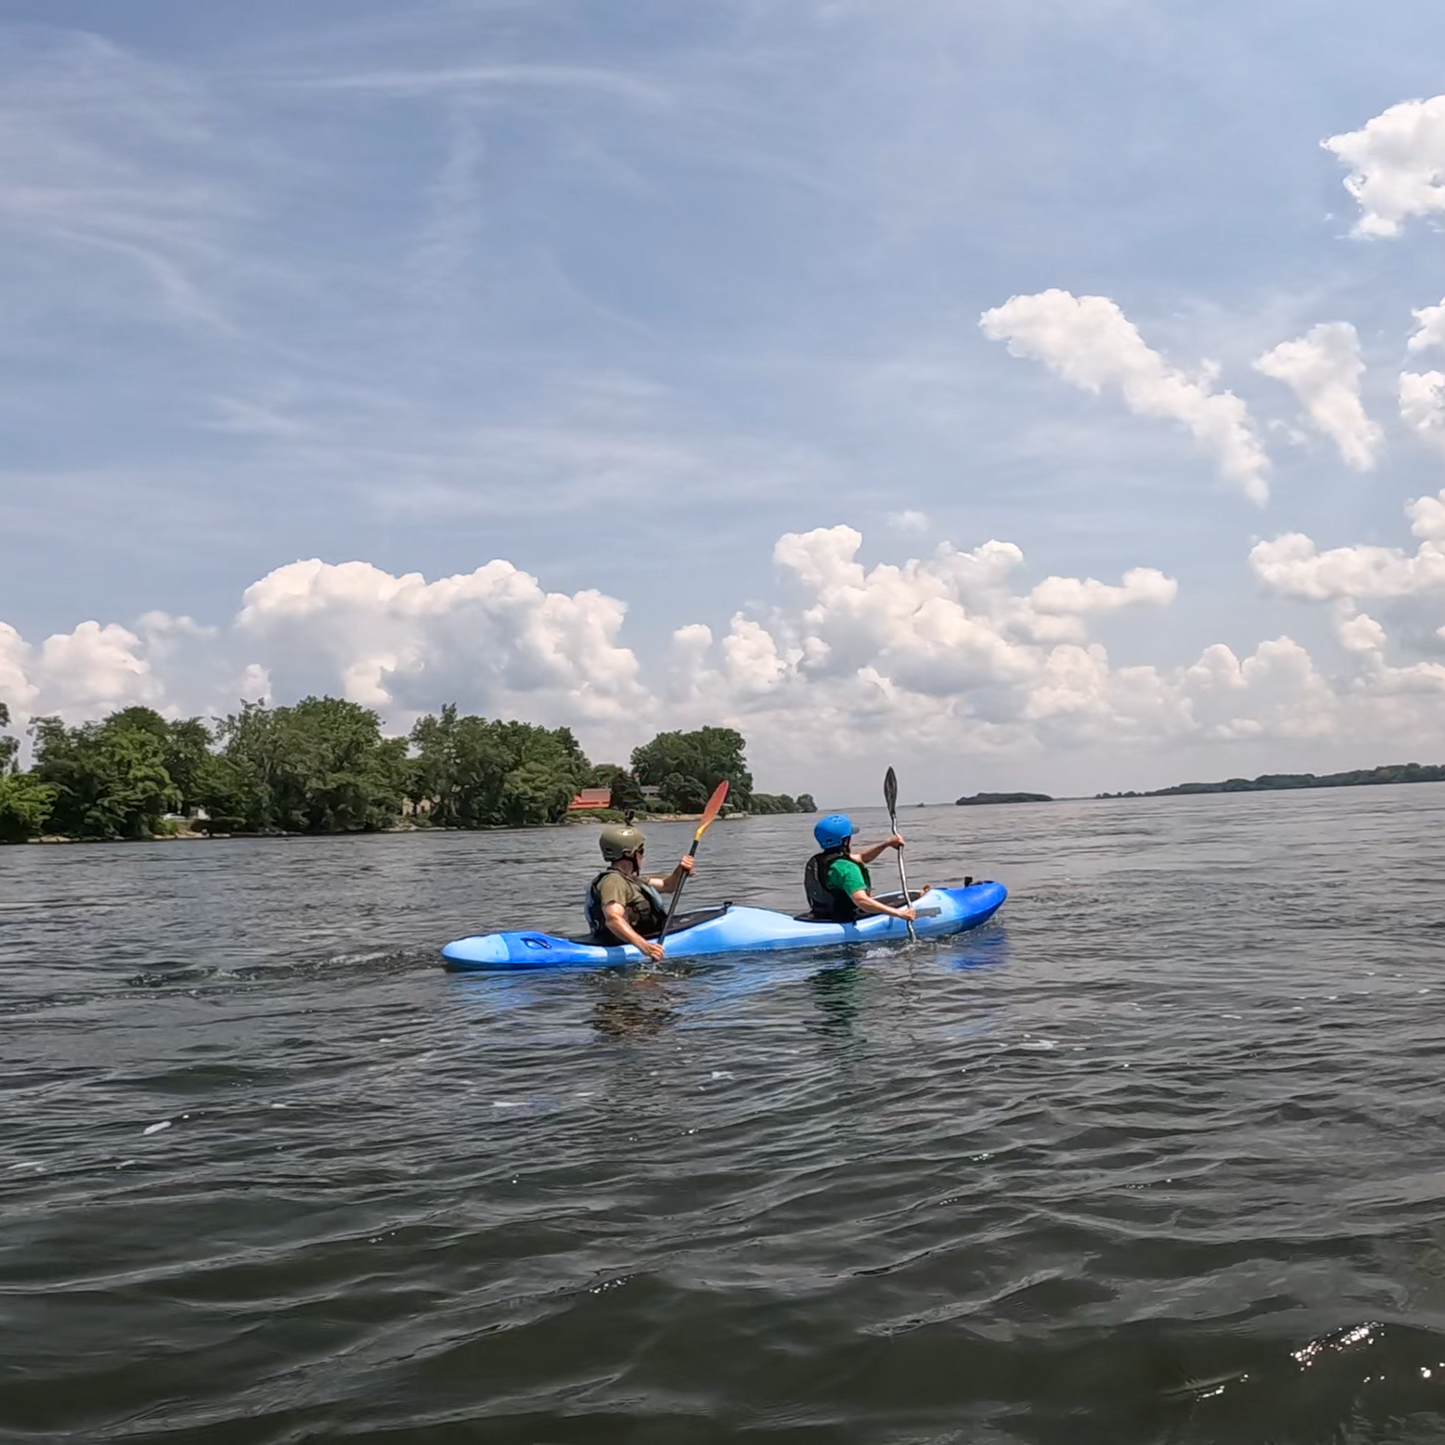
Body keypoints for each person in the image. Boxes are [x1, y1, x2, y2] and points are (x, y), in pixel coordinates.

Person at [585, 823, 695, 961]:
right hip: (627, 945)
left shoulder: (631, 879)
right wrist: (645, 947)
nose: (643, 855)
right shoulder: (613, 882)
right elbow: (613, 920)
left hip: (641, 940)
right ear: (629, 854)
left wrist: (681, 870)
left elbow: (667, 885)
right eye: (641, 851)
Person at [803, 813, 917, 924]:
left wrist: (886, 844)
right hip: (846, 917)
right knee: (908, 901)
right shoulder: (848, 868)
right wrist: (900, 914)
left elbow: (862, 858)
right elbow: (861, 901)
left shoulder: (820, 861)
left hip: (821, 915)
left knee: (915, 895)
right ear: (845, 840)